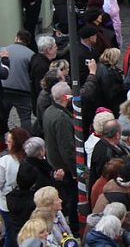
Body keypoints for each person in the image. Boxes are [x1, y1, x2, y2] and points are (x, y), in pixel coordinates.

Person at [41, 83, 77, 233]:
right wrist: (75, 171)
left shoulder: (49, 111)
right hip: (64, 167)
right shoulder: (61, 118)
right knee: (73, 198)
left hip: (55, 162)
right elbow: (67, 148)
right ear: (64, 97)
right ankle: (75, 227)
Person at [0, 127, 28, 246]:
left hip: (8, 203)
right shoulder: (30, 159)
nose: (6, 144)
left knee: (11, 234)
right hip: (25, 202)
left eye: (9, 141)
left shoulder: (4, 162)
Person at [2, 31, 34, 132]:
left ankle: (4, 140)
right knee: (25, 118)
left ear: (17, 37)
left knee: (3, 116)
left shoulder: (4, 50)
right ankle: (26, 141)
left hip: (4, 89)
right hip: (22, 91)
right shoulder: (31, 54)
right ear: (28, 41)